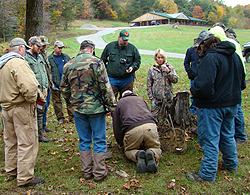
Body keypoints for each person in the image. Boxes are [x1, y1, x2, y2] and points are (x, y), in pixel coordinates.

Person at [186, 31, 246, 182]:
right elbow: (242, 84)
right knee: (227, 135)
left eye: (198, 49)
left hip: (212, 107)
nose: (197, 52)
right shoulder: (235, 57)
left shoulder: (210, 58)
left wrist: (193, 90)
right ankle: (231, 164)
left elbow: (203, 87)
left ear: (203, 45)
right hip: (232, 104)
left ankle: (207, 174)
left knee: (210, 139)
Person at [60, 40, 117, 182]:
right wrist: (111, 105)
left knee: (84, 139)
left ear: (81, 49)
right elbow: (105, 86)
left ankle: (86, 172)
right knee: (99, 139)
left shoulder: (69, 64)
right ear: (92, 49)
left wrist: (71, 101)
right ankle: (99, 172)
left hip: (78, 108)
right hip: (96, 108)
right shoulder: (97, 63)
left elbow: (64, 88)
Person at [0, 37, 46, 186]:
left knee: (10, 141)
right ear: (20, 48)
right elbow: (30, 87)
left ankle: (12, 171)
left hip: (6, 107)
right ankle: (25, 177)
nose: (25, 51)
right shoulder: (18, 63)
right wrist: (33, 100)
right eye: (24, 48)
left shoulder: (2, 63)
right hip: (21, 108)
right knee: (26, 142)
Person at [209, 26, 247, 148]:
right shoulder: (229, 44)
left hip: (233, 78)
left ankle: (240, 136)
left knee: (237, 110)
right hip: (233, 78)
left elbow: (238, 63)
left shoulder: (228, 45)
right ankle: (233, 137)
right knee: (233, 110)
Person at [113, 90, 161, 174]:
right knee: (156, 147)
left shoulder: (119, 103)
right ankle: (152, 153)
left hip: (132, 129)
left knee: (129, 150)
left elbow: (117, 126)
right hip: (150, 126)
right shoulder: (141, 100)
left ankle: (137, 154)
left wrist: (121, 143)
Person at [24, 36, 52, 142]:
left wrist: (45, 86)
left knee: (41, 113)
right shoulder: (25, 58)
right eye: (37, 46)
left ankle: (40, 135)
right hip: (33, 91)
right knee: (32, 114)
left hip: (43, 90)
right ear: (31, 45)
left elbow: (44, 72)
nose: (40, 48)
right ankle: (32, 136)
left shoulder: (40, 57)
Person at [101, 29, 141, 99]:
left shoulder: (132, 48)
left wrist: (132, 67)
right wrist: (105, 72)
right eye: (123, 40)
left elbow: (137, 61)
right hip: (112, 79)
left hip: (127, 80)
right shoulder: (110, 46)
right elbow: (102, 60)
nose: (125, 42)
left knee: (126, 101)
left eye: (127, 40)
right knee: (110, 101)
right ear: (119, 37)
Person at [146, 49, 178, 120]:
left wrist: (168, 72)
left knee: (168, 118)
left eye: (162, 57)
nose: (160, 59)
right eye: (158, 57)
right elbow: (149, 84)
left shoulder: (169, 67)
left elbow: (175, 80)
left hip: (167, 99)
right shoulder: (152, 70)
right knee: (155, 119)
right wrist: (151, 97)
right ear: (156, 58)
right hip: (156, 100)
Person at [48, 40, 74, 125]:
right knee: (57, 102)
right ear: (54, 47)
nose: (60, 50)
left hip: (66, 83)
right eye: (59, 48)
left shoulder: (66, 57)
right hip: (55, 83)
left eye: (61, 48)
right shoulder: (49, 59)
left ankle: (72, 117)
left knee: (69, 100)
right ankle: (60, 118)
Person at [40, 35, 53, 133]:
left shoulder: (44, 54)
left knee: (46, 106)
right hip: (41, 86)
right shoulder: (35, 55)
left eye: (45, 45)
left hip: (47, 85)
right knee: (40, 108)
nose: (44, 47)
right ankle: (40, 129)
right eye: (42, 45)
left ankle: (43, 126)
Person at [184, 38, 199, 115]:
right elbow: (186, 62)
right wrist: (189, 71)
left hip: (202, 76)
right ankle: (193, 113)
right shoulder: (190, 50)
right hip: (194, 76)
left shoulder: (206, 52)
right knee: (193, 95)